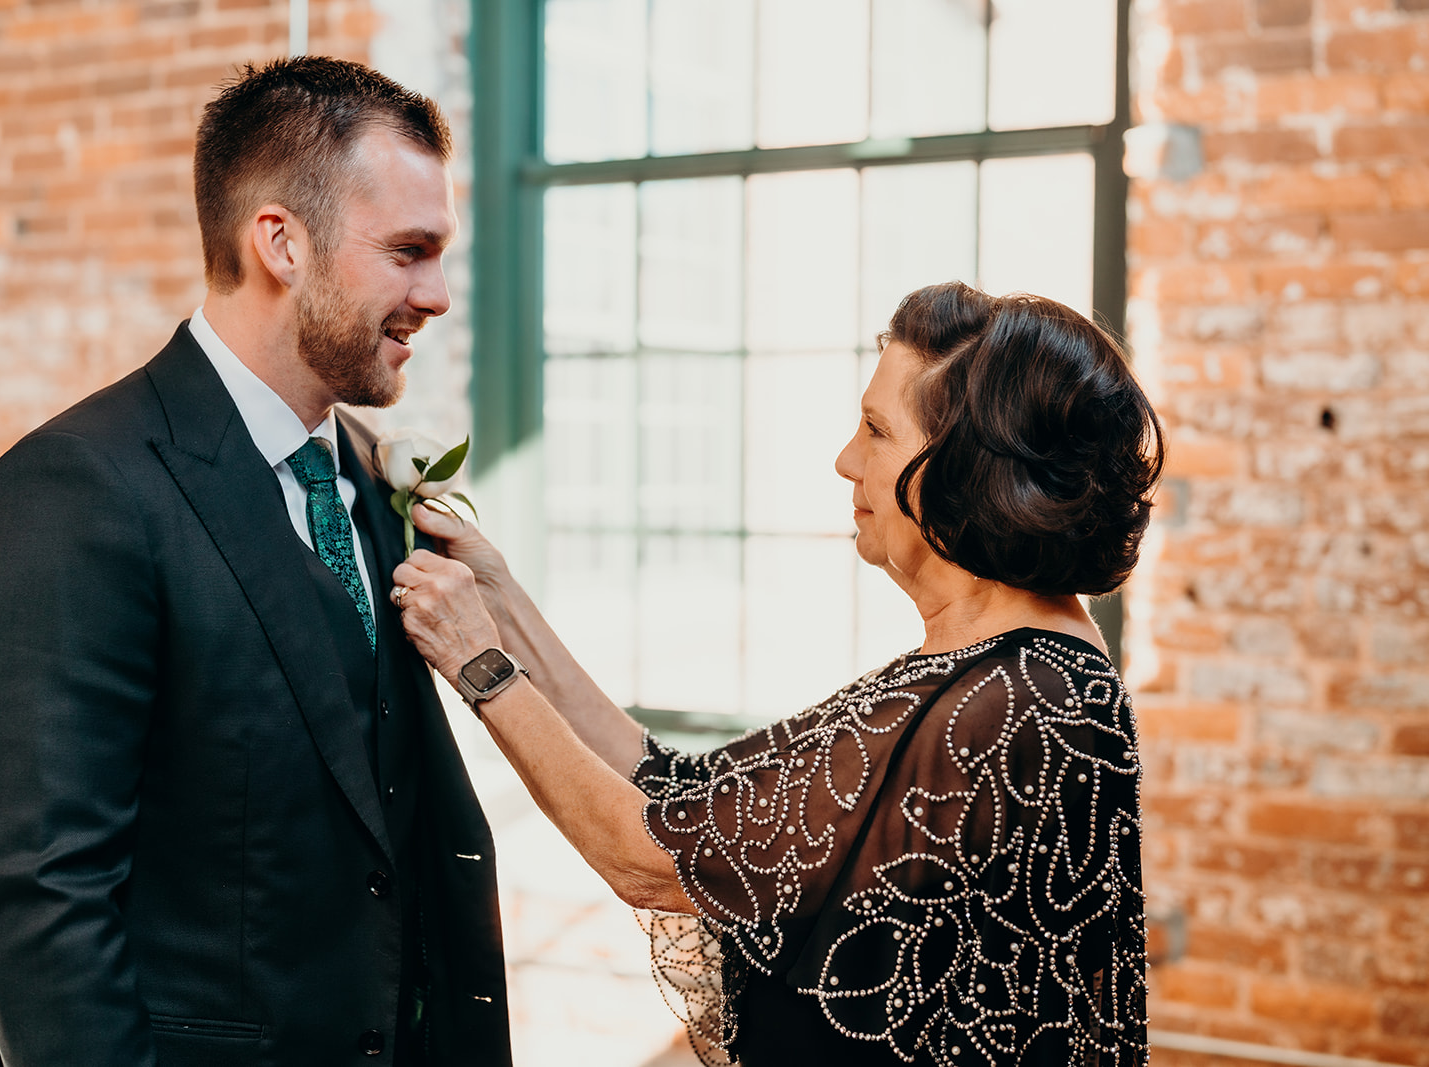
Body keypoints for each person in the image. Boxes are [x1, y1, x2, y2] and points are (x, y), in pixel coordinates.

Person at [390, 281, 1160, 1065]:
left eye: (877, 430)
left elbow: (644, 853)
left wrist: (478, 665)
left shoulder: (1013, 702)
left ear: (965, 470)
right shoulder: (995, 669)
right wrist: (499, 599)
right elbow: (678, 795)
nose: (846, 459)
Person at [0, 58, 509, 1067]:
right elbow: (43, 903)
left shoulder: (377, 482)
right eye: (409, 251)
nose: (438, 295)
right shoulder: (75, 491)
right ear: (281, 243)